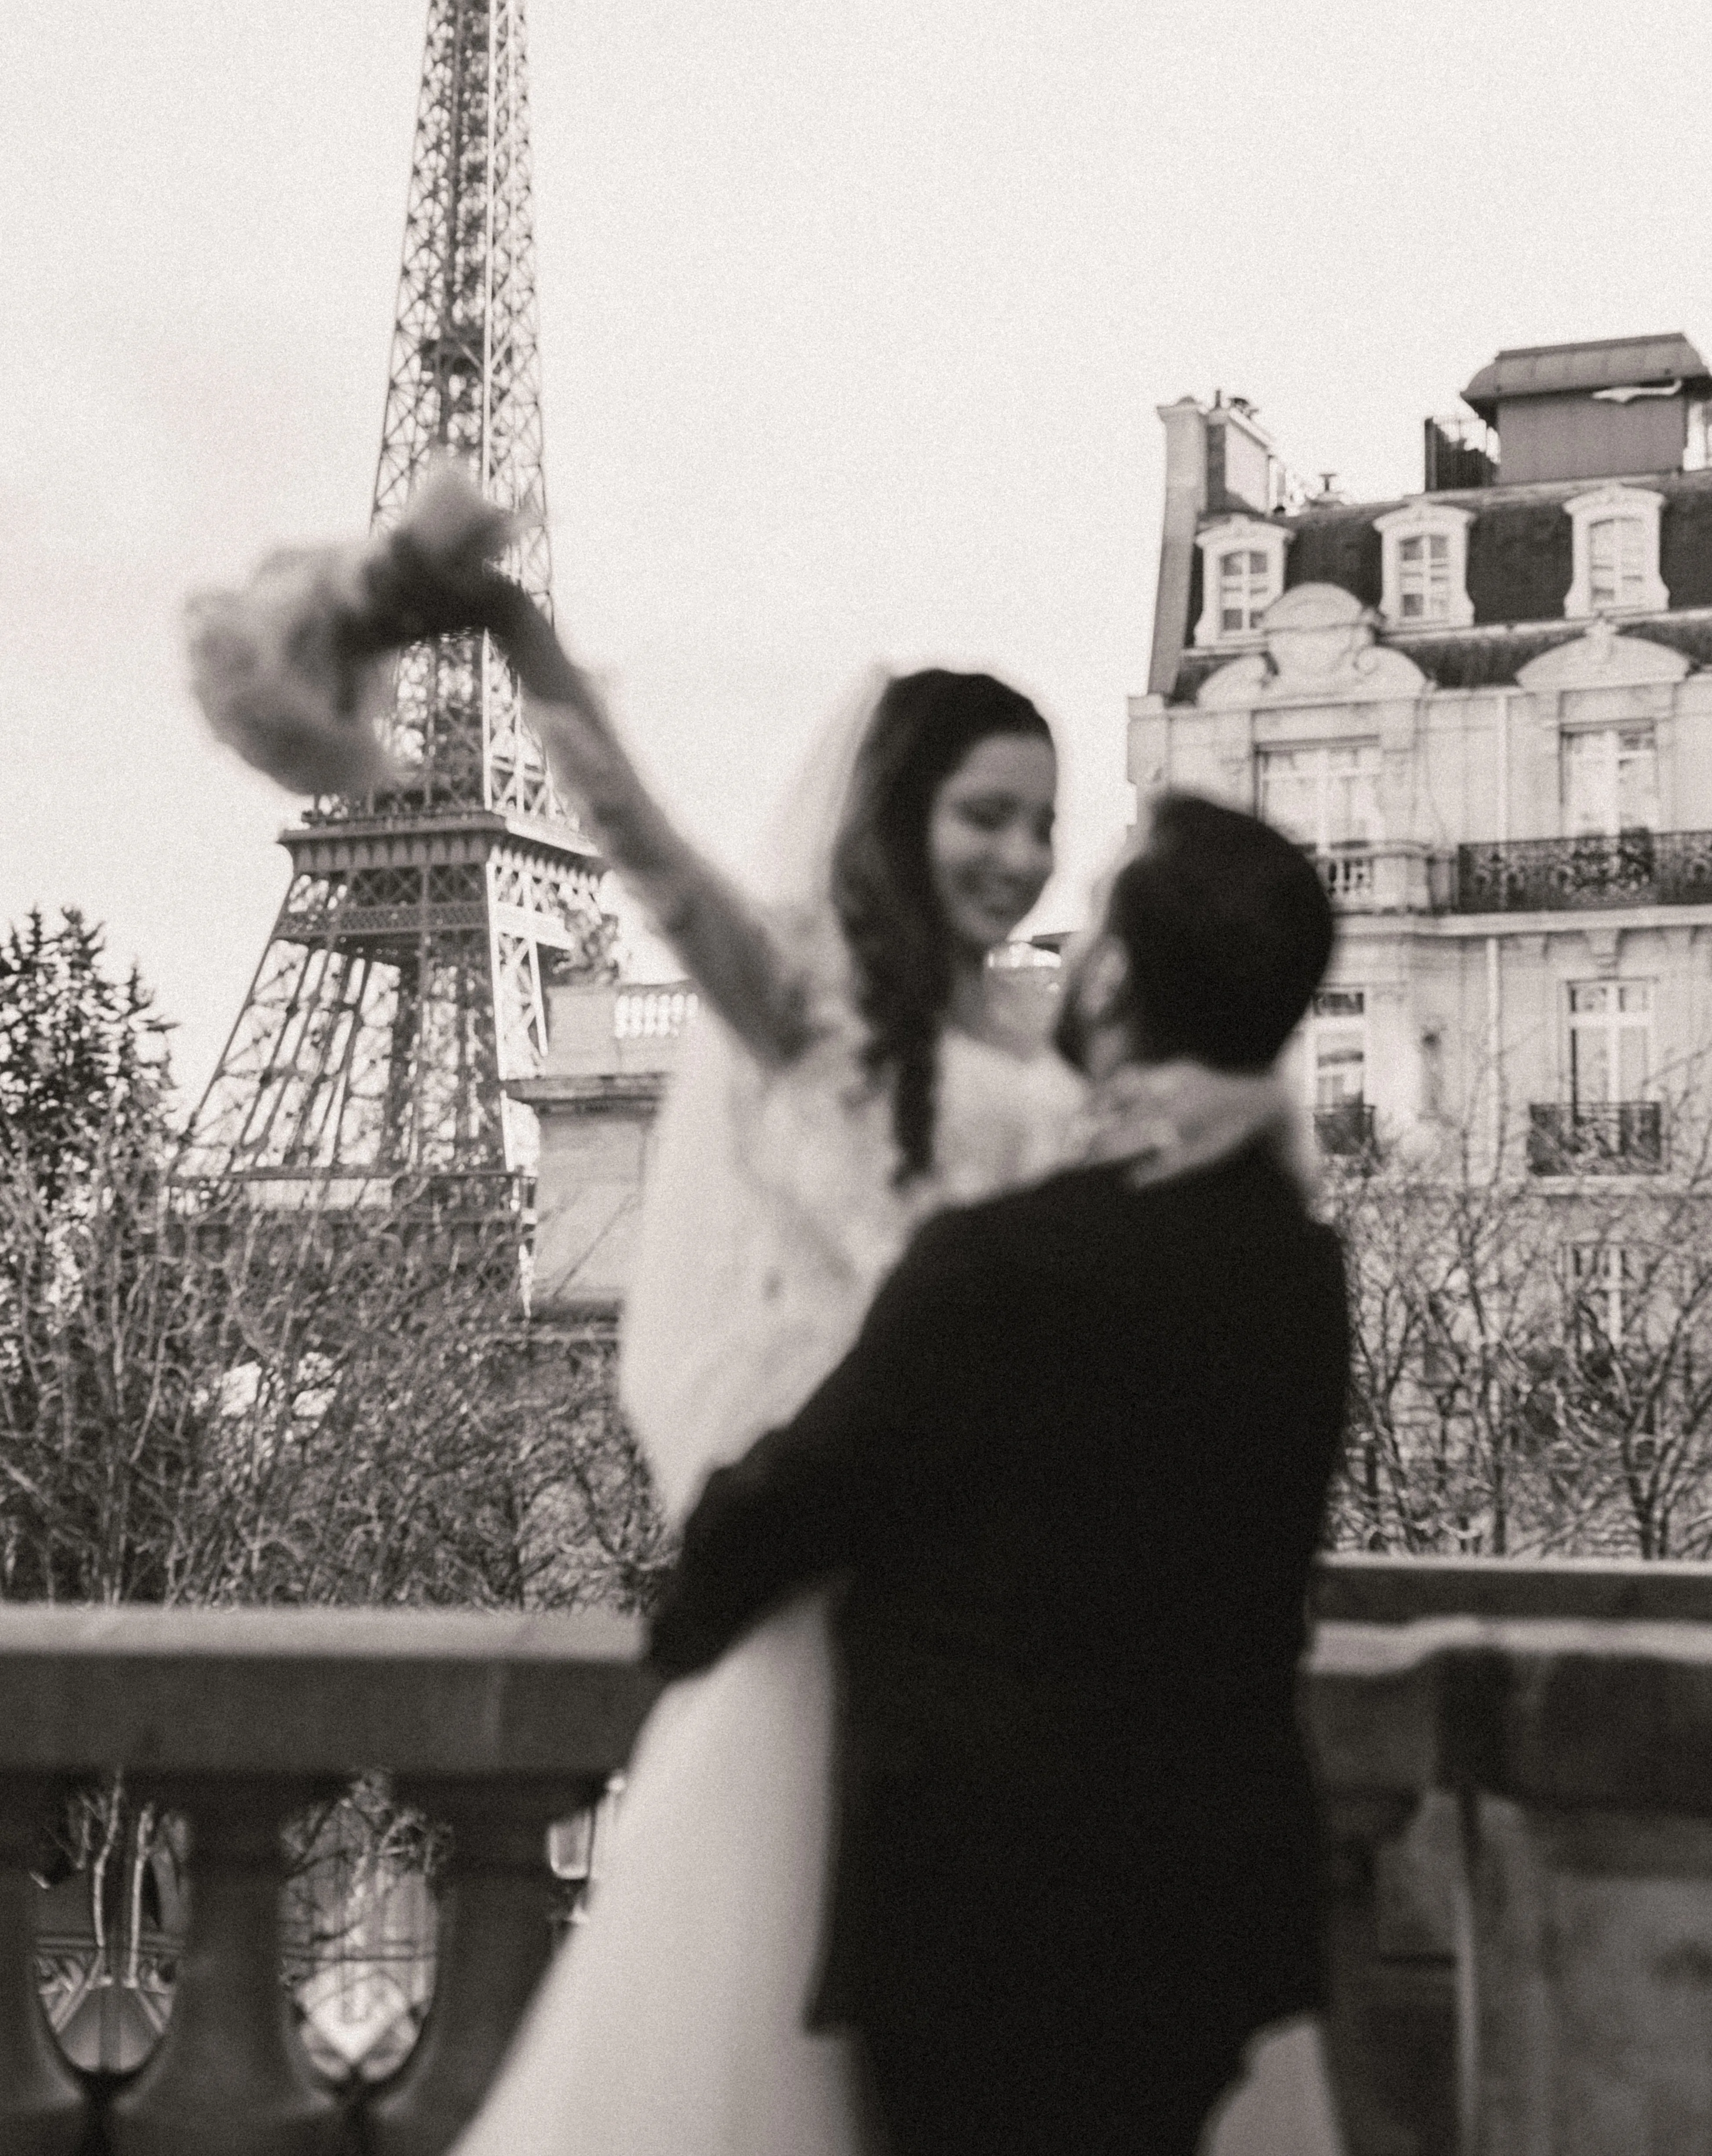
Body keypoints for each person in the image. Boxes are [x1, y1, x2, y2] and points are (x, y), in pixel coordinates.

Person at [184, 468, 1312, 2153]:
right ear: (894, 813)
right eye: (982, 815)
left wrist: (1248, 1116)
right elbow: (636, 845)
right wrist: (516, 636)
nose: (1017, 855)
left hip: (987, 1627)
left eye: (1038, 821)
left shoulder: (1057, 1040)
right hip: (865, 1608)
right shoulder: (807, 1005)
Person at [647, 792, 1352, 2156]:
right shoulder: (1298, 1266)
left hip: (988, 1912)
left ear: (1118, 976)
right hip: (1207, 1906)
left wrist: (687, 1595)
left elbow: (792, 1501)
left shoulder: (1000, 1265)